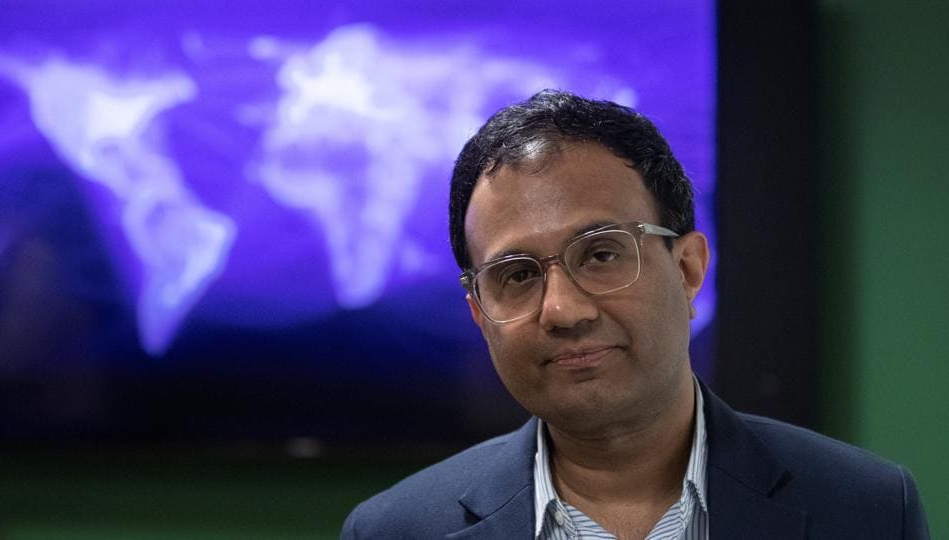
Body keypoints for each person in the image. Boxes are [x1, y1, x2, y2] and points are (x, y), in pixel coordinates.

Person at [341, 90, 929, 539]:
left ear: (689, 269)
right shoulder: (397, 529)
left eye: (600, 254)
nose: (563, 310)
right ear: (479, 313)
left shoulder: (866, 509)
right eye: (517, 275)